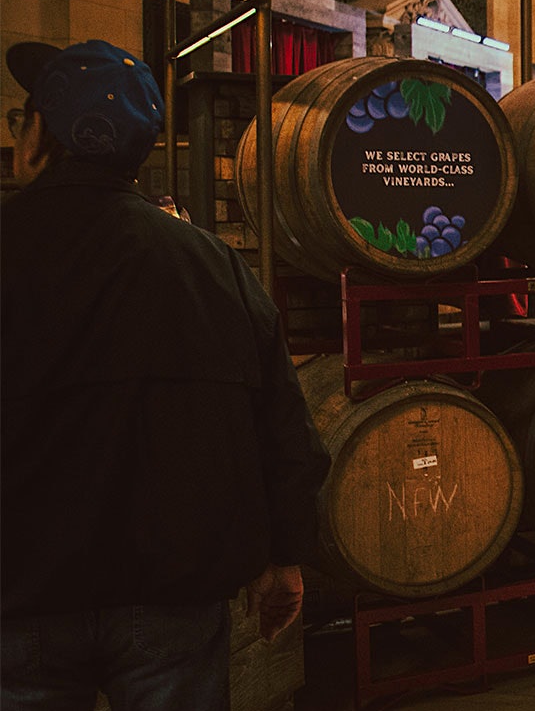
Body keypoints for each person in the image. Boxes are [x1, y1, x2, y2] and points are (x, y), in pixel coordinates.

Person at [1, 40, 330, 710]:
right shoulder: (212, 266)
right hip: (173, 602)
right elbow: (285, 432)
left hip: (21, 597)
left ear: (42, 134)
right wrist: (284, 554)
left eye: (21, 118)